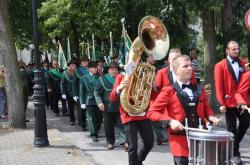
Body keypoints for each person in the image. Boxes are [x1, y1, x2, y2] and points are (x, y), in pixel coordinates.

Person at [148, 55, 219, 165]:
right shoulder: (168, 90)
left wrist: (210, 116)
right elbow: (152, 112)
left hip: (201, 139)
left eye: (190, 65)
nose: (190, 68)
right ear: (176, 70)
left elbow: (205, 107)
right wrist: (170, 121)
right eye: (185, 66)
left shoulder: (200, 88)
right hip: (180, 143)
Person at [109, 67, 154, 165]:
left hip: (143, 114)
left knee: (149, 142)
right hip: (128, 115)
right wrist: (119, 88)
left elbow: (152, 95)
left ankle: (138, 160)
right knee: (133, 146)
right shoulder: (121, 76)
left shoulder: (145, 75)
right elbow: (112, 97)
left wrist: (153, 87)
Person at [214, 41, 248, 165]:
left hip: (241, 101)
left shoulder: (244, 64)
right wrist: (221, 102)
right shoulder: (220, 65)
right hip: (228, 102)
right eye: (233, 49)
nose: (236, 51)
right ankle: (235, 154)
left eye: (237, 49)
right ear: (227, 50)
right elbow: (218, 85)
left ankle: (233, 144)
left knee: (245, 122)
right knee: (231, 129)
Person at [94, 62, 127, 150]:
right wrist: (99, 103)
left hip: (121, 106)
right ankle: (110, 142)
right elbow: (97, 92)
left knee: (122, 125)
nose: (114, 71)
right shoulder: (102, 79)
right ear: (108, 70)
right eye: (112, 69)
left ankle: (124, 142)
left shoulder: (123, 78)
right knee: (108, 126)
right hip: (107, 106)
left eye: (116, 69)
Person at [79, 61, 101, 142]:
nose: (96, 69)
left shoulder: (99, 77)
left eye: (96, 67)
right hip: (89, 100)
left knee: (99, 117)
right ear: (89, 69)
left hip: (99, 100)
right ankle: (93, 134)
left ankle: (96, 129)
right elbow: (82, 91)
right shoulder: (84, 77)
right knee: (91, 118)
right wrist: (82, 102)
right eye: (94, 68)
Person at [61, 60, 78, 125]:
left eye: (75, 65)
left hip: (76, 92)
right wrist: (63, 93)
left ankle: (81, 120)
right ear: (69, 66)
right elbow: (62, 83)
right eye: (72, 65)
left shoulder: (77, 72)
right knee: (70, 107)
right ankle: (72, 120)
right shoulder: (65, 73)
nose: (74, 66)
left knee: (78, 107)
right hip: (69, 93)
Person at [74, 57, 89, 130]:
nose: (85, 62)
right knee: (82, 109)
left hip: (90, 92)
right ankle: (83, 124)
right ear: (81, 62)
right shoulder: (77, 70)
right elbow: (74, 83)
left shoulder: (91, 69)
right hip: (81, 91)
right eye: (83, 61)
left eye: (86, 61)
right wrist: (75, 93)